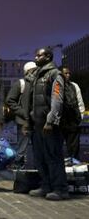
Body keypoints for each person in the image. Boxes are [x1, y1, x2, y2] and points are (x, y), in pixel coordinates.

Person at [25, 47, 69, 200]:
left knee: (54, 157)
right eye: (35, 55)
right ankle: (46, 185)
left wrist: (51, 121)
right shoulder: (37, 75)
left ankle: (60, 189)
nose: (36, 58)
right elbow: (31, 101)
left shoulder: (55, 74)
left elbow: (57, 99)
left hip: (49, 125)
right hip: (37, 124)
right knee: (40, 157)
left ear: (48, 56)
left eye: (39, 55)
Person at [6, 62, 37, 169]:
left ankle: (37, 170)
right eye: (33, 69)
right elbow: (10, 100)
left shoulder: (40, 83)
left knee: (38, 148)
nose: (36, 71)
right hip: (24, 121)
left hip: (38, 121)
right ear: (27, 71)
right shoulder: (21, 83)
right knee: (22, 148)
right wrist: (23, 112)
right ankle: (18, 169)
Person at [58, 65, 85, 161]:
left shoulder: (74, 85)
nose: (68, 75)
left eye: (69, 73)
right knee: (57, 146)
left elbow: (80, 102)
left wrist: (80, 116)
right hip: (60, 121)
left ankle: (75, 162)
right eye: (66, 73)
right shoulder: (56, 86)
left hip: (73, 120)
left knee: (74, 146)